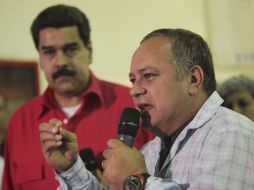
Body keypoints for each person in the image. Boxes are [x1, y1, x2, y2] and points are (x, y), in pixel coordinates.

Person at [39, 28, 254, 190]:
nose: (134, 90)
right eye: (133, 80)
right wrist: (70, 169)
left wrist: (136, 179)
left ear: (193, 79)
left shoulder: (229, 133)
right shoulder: (151, 150)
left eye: (148, 76)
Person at [2, 4, 154, 190]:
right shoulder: (20, 121)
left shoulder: (135, 105)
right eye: (49, 52)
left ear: (89, 50)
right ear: (40, 58)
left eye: (70, 49)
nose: (61, 62)